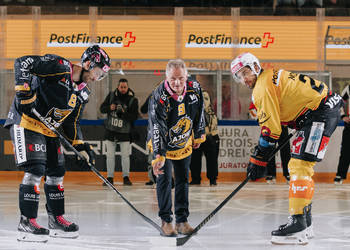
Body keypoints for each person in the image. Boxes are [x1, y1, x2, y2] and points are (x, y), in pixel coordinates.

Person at [231, 52, 342, 245]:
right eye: (240, 76)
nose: (244, 79)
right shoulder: (269, 77)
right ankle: (305, 221)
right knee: (301, 166)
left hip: (320, 114)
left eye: (246, 72)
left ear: (256, 67)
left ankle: (298, 222)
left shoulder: (262, 88)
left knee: (300, 166)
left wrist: (258, 159)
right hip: (321, 111)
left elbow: (271, 131)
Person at [4, 45, 110, 242]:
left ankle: (56, 220)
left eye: (101, 76)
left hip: (48, 128)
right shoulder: (59, 66)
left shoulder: (83, 94)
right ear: (88, 63)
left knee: (57, 173)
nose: (96, 78)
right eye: (97, 72)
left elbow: (72, 121)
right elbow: (22, 62)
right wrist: (23, 90)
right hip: (26, 121)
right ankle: (26, 222)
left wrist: (80, 146)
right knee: (35, 170)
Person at [148, 59, 205, 237]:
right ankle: (166, 221)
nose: (177, 83)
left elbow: (199, 110)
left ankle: (182, 221)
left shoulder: (195, 88)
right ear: (167, 77)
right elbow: (157, 126)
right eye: (173, 79)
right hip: (163, 143)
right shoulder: (159, 96)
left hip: (183, 142)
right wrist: (159, 155)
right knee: (164, 181)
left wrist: (198, 133)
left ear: (186, 76)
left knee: (182, 180)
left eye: (181, 78)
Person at [100, 78, 139, 186]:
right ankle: (109, 178)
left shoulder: (132, 100)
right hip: (110, 132)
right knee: (110, 156)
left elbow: (134, 117)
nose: (123, 89)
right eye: (121, 87)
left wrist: (123, 113)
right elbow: (102, 109)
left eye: (124, 87)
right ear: (118, 87)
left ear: (127, 87)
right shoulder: (111, 96)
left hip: (125, 133)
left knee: (125, 156)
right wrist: (110, 107)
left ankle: (126, 177)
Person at [249, 102, 291, 184]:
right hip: (269, 126)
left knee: (285, 150)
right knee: (269, 150)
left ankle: (288, 174)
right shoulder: (263, 91)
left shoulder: (281, 92)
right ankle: (270, 174)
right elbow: (252, 109)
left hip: (282, 124)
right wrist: (260, 119)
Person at [190, 90, 219, 186]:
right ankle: (195, 179)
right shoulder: (193, 110)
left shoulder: (208, 110)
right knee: (194, 159)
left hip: (211, 136)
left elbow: (205, 105)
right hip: (197, 136)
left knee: (212, 160)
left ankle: (212, 179)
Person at [334, 84, 350, 184]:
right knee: (345, 152)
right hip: (349, 126)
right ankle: (340, 175)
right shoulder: (349, 88)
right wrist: (343, 115)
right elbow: (339, 102)